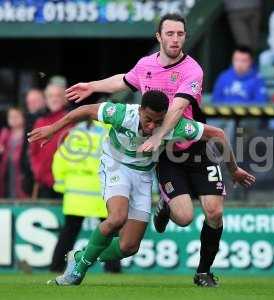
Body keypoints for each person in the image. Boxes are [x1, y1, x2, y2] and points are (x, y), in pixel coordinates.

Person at [64, 13, 251, 287]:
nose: (175, 39)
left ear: (185, 36)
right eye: (170, 34)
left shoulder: (193, 70)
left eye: (180, 34)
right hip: (167, 153)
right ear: (159, 37)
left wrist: (232, 168)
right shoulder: (146, 65)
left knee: (214, 212)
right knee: (185, 217)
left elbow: (177, 107)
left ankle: (203, 273)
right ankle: (164, 204)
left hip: (197, 146)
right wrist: (93, 86)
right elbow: (125, 80)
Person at [28, 90, 255, 286]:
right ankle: (77, 272)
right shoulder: (121, 113)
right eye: (148, 119)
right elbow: (85, 110)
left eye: (158, 121)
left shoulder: (174, 126)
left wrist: (233, 169)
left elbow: (218, 134)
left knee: (129, 246)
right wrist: (53, 128)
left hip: (144, 175)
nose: (152, 126)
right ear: (139, 110)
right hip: (116, 166)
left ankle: (80, 256)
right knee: (117, 218)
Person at [49, 120, 121, 274]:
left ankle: (56, 266)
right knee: (109, 230)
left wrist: (62, 186)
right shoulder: (109, 131)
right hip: (101, 191)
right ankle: (113, 268)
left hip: (76, 192)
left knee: (69, 232)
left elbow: (59, 160)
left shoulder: (75, 132)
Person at [29, 83, 70, 199]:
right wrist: (38, 172)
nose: (54, 99)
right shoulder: (39, 122)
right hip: (44, 183)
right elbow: (33, 152)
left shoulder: (71, 122)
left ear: (64, 99)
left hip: (64, 183)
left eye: (58, 96)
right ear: (46, 100)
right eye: (51, 96)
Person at [20, 88, 47, 196]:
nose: (31, 104)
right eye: (29, 102)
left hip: (42, 174)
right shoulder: (26, 120)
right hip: (28, 172)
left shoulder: (45, 119)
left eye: (35, 101)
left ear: (44, 101)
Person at [0, 108, 28, 199]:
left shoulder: (28, 134)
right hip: (7, 171)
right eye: (11, 117)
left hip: (21, 172)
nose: (13, 119)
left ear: (23, 118)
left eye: (16, 116)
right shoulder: (5, 134)